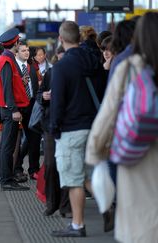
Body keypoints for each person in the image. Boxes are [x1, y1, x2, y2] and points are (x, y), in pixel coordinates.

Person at [86, 12, 158, 243]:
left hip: (137, 155)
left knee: (142, 220)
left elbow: (108, 114)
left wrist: (95, 154)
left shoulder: (128, 68)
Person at [49, 21, 106, 237]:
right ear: (80, 39)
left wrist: (54, 128)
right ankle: (111, 207)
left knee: (74, 180)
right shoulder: (94, 61)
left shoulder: (62, 66)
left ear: (61, 39)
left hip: (71, 129)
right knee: (89, 176)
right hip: (93, 127)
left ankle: (78, 224)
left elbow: (57, 102)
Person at [0, 27, 30, 191]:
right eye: (18, 41)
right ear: (15, 43)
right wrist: (14, 109)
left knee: (6, 145)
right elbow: (7, 88)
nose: (19, 43)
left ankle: (7, 178)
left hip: (6, 108)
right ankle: (6, 180)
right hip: (9, 110)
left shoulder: (4, 59)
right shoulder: (7, 61)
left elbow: (9, 85)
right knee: (7, 146)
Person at [36, 45, 71, 218]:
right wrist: (43, 97)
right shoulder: (52, 73)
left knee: (66, 166)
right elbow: (39, 94)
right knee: (50, 165)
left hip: (69, 124)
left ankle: (66, 206)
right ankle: (52, 202)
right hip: (50, 124)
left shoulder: (75, 72)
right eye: (62, 57)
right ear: (57, 56)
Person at [12, 41, 41, 182]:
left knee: (34, 138)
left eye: (27, 50)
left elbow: (35, 88)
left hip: (31, 105)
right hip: (18, 108)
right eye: (23, 50)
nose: (26, 52)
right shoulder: (12, 68)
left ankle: (34, 169)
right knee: (16, 141)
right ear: (16, 53)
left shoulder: (31, 68)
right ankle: (17, 169)